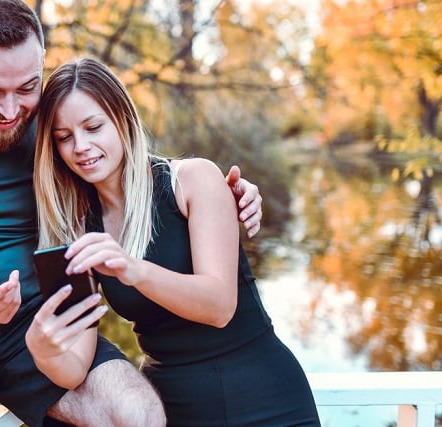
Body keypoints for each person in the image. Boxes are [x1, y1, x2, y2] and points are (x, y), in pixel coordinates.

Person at [0, 1, 263, 426]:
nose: (11, 111)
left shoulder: (57, 125)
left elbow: (124, 162)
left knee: (136, 413)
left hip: (43, 319)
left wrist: (226, 191)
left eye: (27, 88)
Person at [24, 57, 320, 426]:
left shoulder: (192, 180)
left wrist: (132, 269)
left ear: (123, 120)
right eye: (64, 137)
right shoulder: (79, 229)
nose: (80, 146)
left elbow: (219, 306)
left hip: (265, 399)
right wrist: (43, 350)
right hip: (174, 407)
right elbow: (75, 367)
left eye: (93, 127)